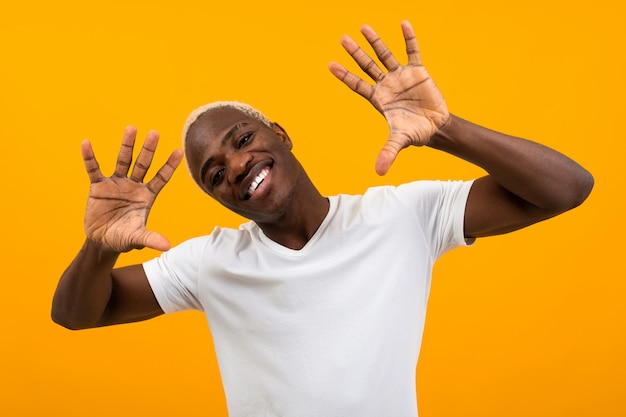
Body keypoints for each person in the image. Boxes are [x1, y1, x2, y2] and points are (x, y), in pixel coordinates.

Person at [52, 20, 593, 417]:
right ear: (219, 199)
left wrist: (444, 128)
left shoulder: (404, 216)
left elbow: (567, 189)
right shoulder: (208, 263)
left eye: (242, 141)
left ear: (280, 136)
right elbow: (76, 314)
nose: (237, 167)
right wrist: (101, 246)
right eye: (215, 175)